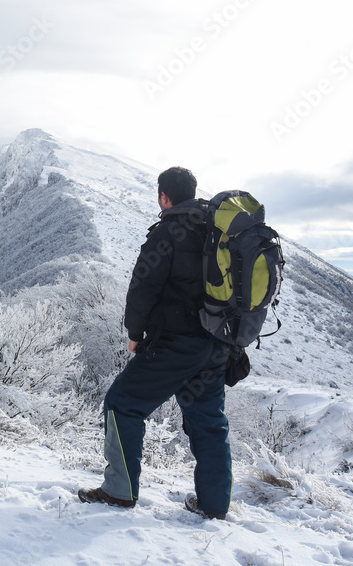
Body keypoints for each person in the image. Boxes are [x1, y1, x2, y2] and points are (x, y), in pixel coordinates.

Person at [78, 166, 232, 520]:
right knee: (209, 422)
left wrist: (134, 335)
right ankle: (214, 505)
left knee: (122, 404)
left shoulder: (167, 233)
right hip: (218, 345)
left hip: (176, 345)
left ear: (164, 196)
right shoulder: (218, 232)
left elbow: (142, 289)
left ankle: (119, 491)